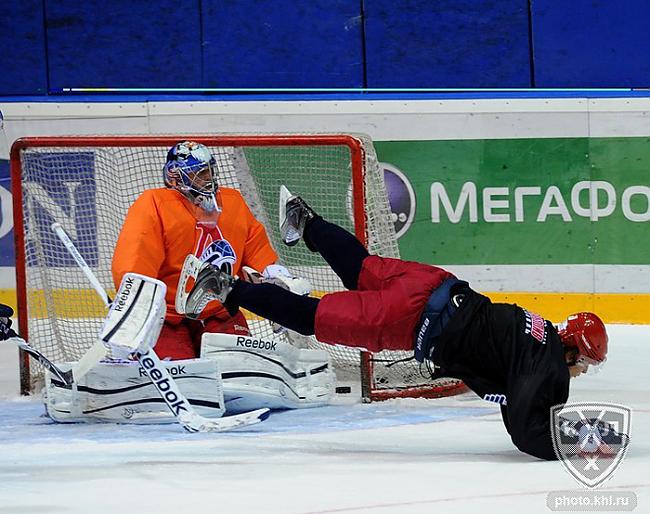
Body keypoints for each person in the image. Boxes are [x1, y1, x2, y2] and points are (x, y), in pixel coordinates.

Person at [183, 186, 610, 460]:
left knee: (361, 268)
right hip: (412, 319)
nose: (580, 370)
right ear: (572, 348)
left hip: (431, 281)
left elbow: (511, 389)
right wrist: (576, 445)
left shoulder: (534, 326)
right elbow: (526, 429)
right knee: (315, 318)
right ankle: (225, 286)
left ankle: (306, 222)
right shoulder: (549, 361)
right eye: (585, 362)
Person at [112, 141, 291, 360]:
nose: (209, 179)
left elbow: (257, 253)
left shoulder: (232, 202)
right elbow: (135, 261)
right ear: (175, 176)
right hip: (167, 318)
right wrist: (134, 310)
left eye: (209, 172)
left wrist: (279, 282)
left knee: (238, 371)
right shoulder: (154, 204)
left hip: (220, 312)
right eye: (200, 174)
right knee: (178, 374)